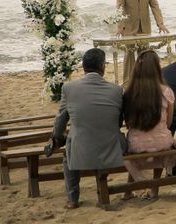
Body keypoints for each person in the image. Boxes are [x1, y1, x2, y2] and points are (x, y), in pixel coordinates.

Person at [50, 48, 124, 209]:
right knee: (95, 140)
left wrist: (56, 136)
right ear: (103, 66)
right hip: (110, 144)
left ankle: (72, 199)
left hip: (81, 145)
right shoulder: (116, 90)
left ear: (83, 67)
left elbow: (61, 118)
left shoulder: (69, 88)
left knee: (68, 153)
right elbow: (118, 122)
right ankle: (101, 193)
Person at [122, 50, 175, 200]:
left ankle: (128, 190)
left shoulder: (129, 92)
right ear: (157, 68)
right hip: (162, 141)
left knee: (135, 149)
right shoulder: (166, 91)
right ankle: (154, 190)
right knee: (161, 141)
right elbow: (169, 122)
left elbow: (127, 122)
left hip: (136, 143)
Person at [116, 0, 170, 82]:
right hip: (129, 28)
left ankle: (146, 81)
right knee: (129, 56)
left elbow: (154, 5)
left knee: (145, 55)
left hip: (145, 27)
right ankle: (128, 82)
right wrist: (120, 26)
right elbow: (119, 8)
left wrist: (160, 23)